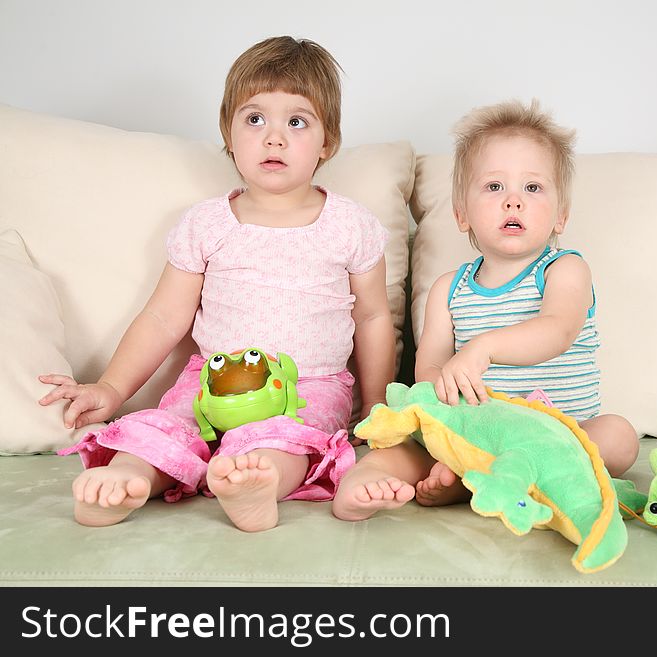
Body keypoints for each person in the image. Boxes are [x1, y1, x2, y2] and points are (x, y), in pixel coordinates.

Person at [38, 36, 395, 532]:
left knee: (285, 440)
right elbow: (164, 317)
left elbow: (374, 317)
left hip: (307, 386)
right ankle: (126, 480)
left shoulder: (350, 224)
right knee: (164, 428)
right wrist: (112, 388)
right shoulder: (205, 223)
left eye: (297, 121)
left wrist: (378, 410)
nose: (274, 138)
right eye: (254, 119)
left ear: (327, 142)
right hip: (209, 382)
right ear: (229, 135)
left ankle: (258, 484)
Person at [332, 99, 638, 521]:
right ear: (462, 214)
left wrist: (483, 348)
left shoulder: (565, 270)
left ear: (561, 215)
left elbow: (557, 330)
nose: (513, 201)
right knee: (402, 449)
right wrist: (447, 396)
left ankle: (476, 482)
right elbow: (431, 368)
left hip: (558, 435)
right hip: (475, 433)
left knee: (619, 437)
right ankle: (362, 485)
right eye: (494, 187)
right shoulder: (448, 290)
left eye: (532, 188)